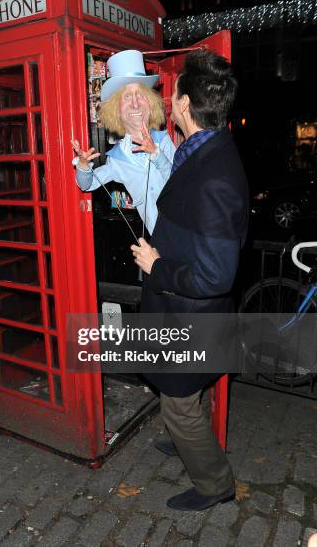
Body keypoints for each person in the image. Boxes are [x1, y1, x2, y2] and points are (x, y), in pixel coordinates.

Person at [131, 48, 249, 511]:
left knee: (179, 405)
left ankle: (214, 482)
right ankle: (184, 441)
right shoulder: (207, 147)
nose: (169, 97)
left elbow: (215, 275)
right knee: (180, 394)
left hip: (190, 314)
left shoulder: (215, 174)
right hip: (184, 312)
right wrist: (159, 151)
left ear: (184, 104)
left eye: (173, 91)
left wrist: (156, 265)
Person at [72, 50, 175, 235]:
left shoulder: (163, 140)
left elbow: (180, 182)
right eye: (127, 97)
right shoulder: (117, 159)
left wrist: (156, 155)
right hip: (158, 237)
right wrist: (83, 164)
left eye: (140, 95)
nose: (135, 104)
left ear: (150, 103)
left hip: (185, 229)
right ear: (117, 111)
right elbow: (87, 185)